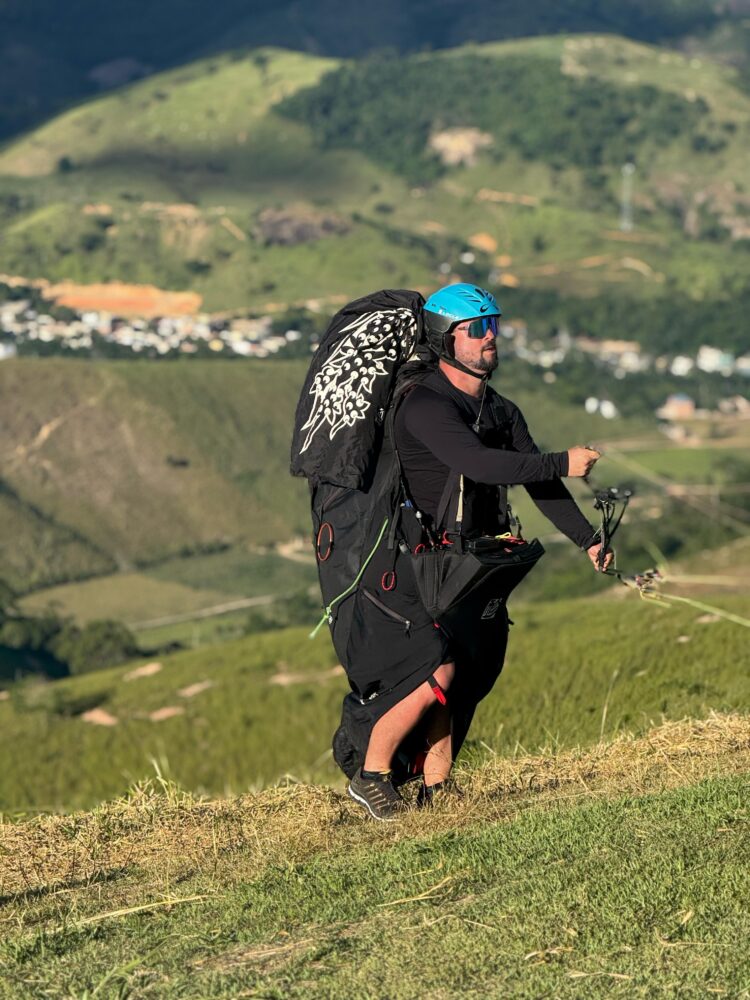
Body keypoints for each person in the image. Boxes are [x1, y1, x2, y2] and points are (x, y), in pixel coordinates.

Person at [345, 283, 611, 821]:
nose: (492, 336)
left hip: (477, 560)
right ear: (446, 338)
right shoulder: (422, 406)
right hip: (421, 563)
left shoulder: (500, 411)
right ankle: (370, 774)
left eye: (494, 324)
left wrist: (587, 538)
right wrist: (564, 460)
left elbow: (536, 482)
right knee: (435, 669)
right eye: (478, 328)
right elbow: (483, 466)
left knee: (464, 671)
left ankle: (436, 788)